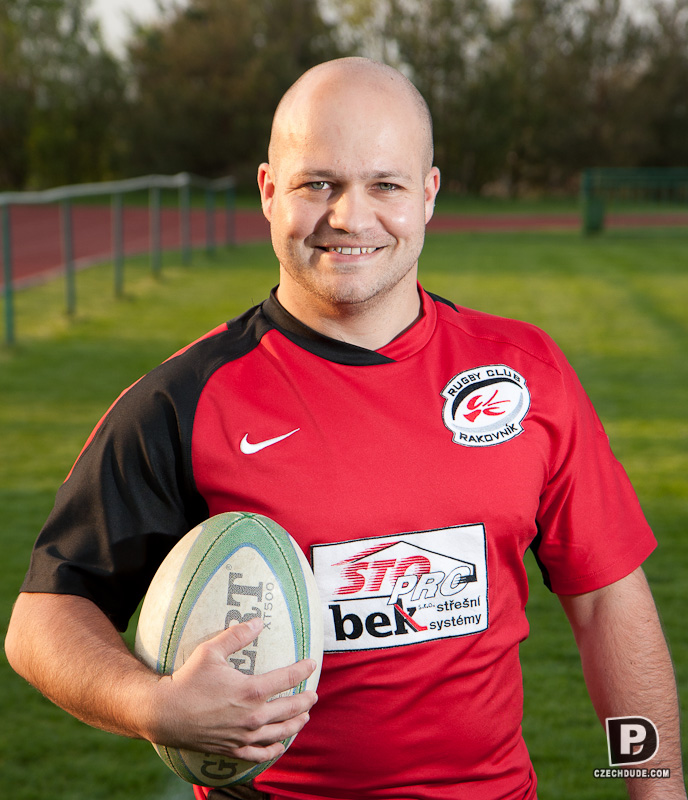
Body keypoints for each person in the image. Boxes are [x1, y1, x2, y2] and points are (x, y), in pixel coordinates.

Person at [5, 57, 686, 800]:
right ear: (269, 191)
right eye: (318, 184)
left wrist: (656, 786)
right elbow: (44, 619)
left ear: (428, 194)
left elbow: (608, 603)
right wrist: (151, 706)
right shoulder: (184, 401)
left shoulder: (527, 374)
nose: (350, 218)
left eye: (385, 185)